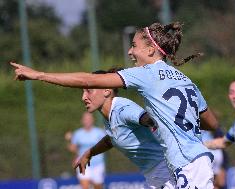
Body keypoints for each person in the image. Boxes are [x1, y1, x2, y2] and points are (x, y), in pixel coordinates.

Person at [11, 22, 219, 189]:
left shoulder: (146, 75)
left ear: (150, 50)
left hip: (186, 164)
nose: (130, 51)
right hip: (193, 160)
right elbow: (211, 123)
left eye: (134, 45)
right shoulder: (185, 80)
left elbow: (86, 80)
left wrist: (39, 75)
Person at [74, 69, 175, 189]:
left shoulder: (122, 108)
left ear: (107, 91)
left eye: (89, 91)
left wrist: (153, 124)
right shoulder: (109, 115)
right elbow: (111, 140)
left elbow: (147, 119)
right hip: (155, 174)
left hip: (165, 170)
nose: (83, 97)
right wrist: (88, 154)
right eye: (83, 92)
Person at [65, 112, 106, 189]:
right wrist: (69, 143)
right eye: (85, 119)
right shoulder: (77, 134)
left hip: (97, 164)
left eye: (89, 119)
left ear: (93, 120)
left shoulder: (99, 133)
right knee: (85, 186)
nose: (87, 121)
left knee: (98, 186)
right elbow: (73, 148)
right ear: (82, 121)